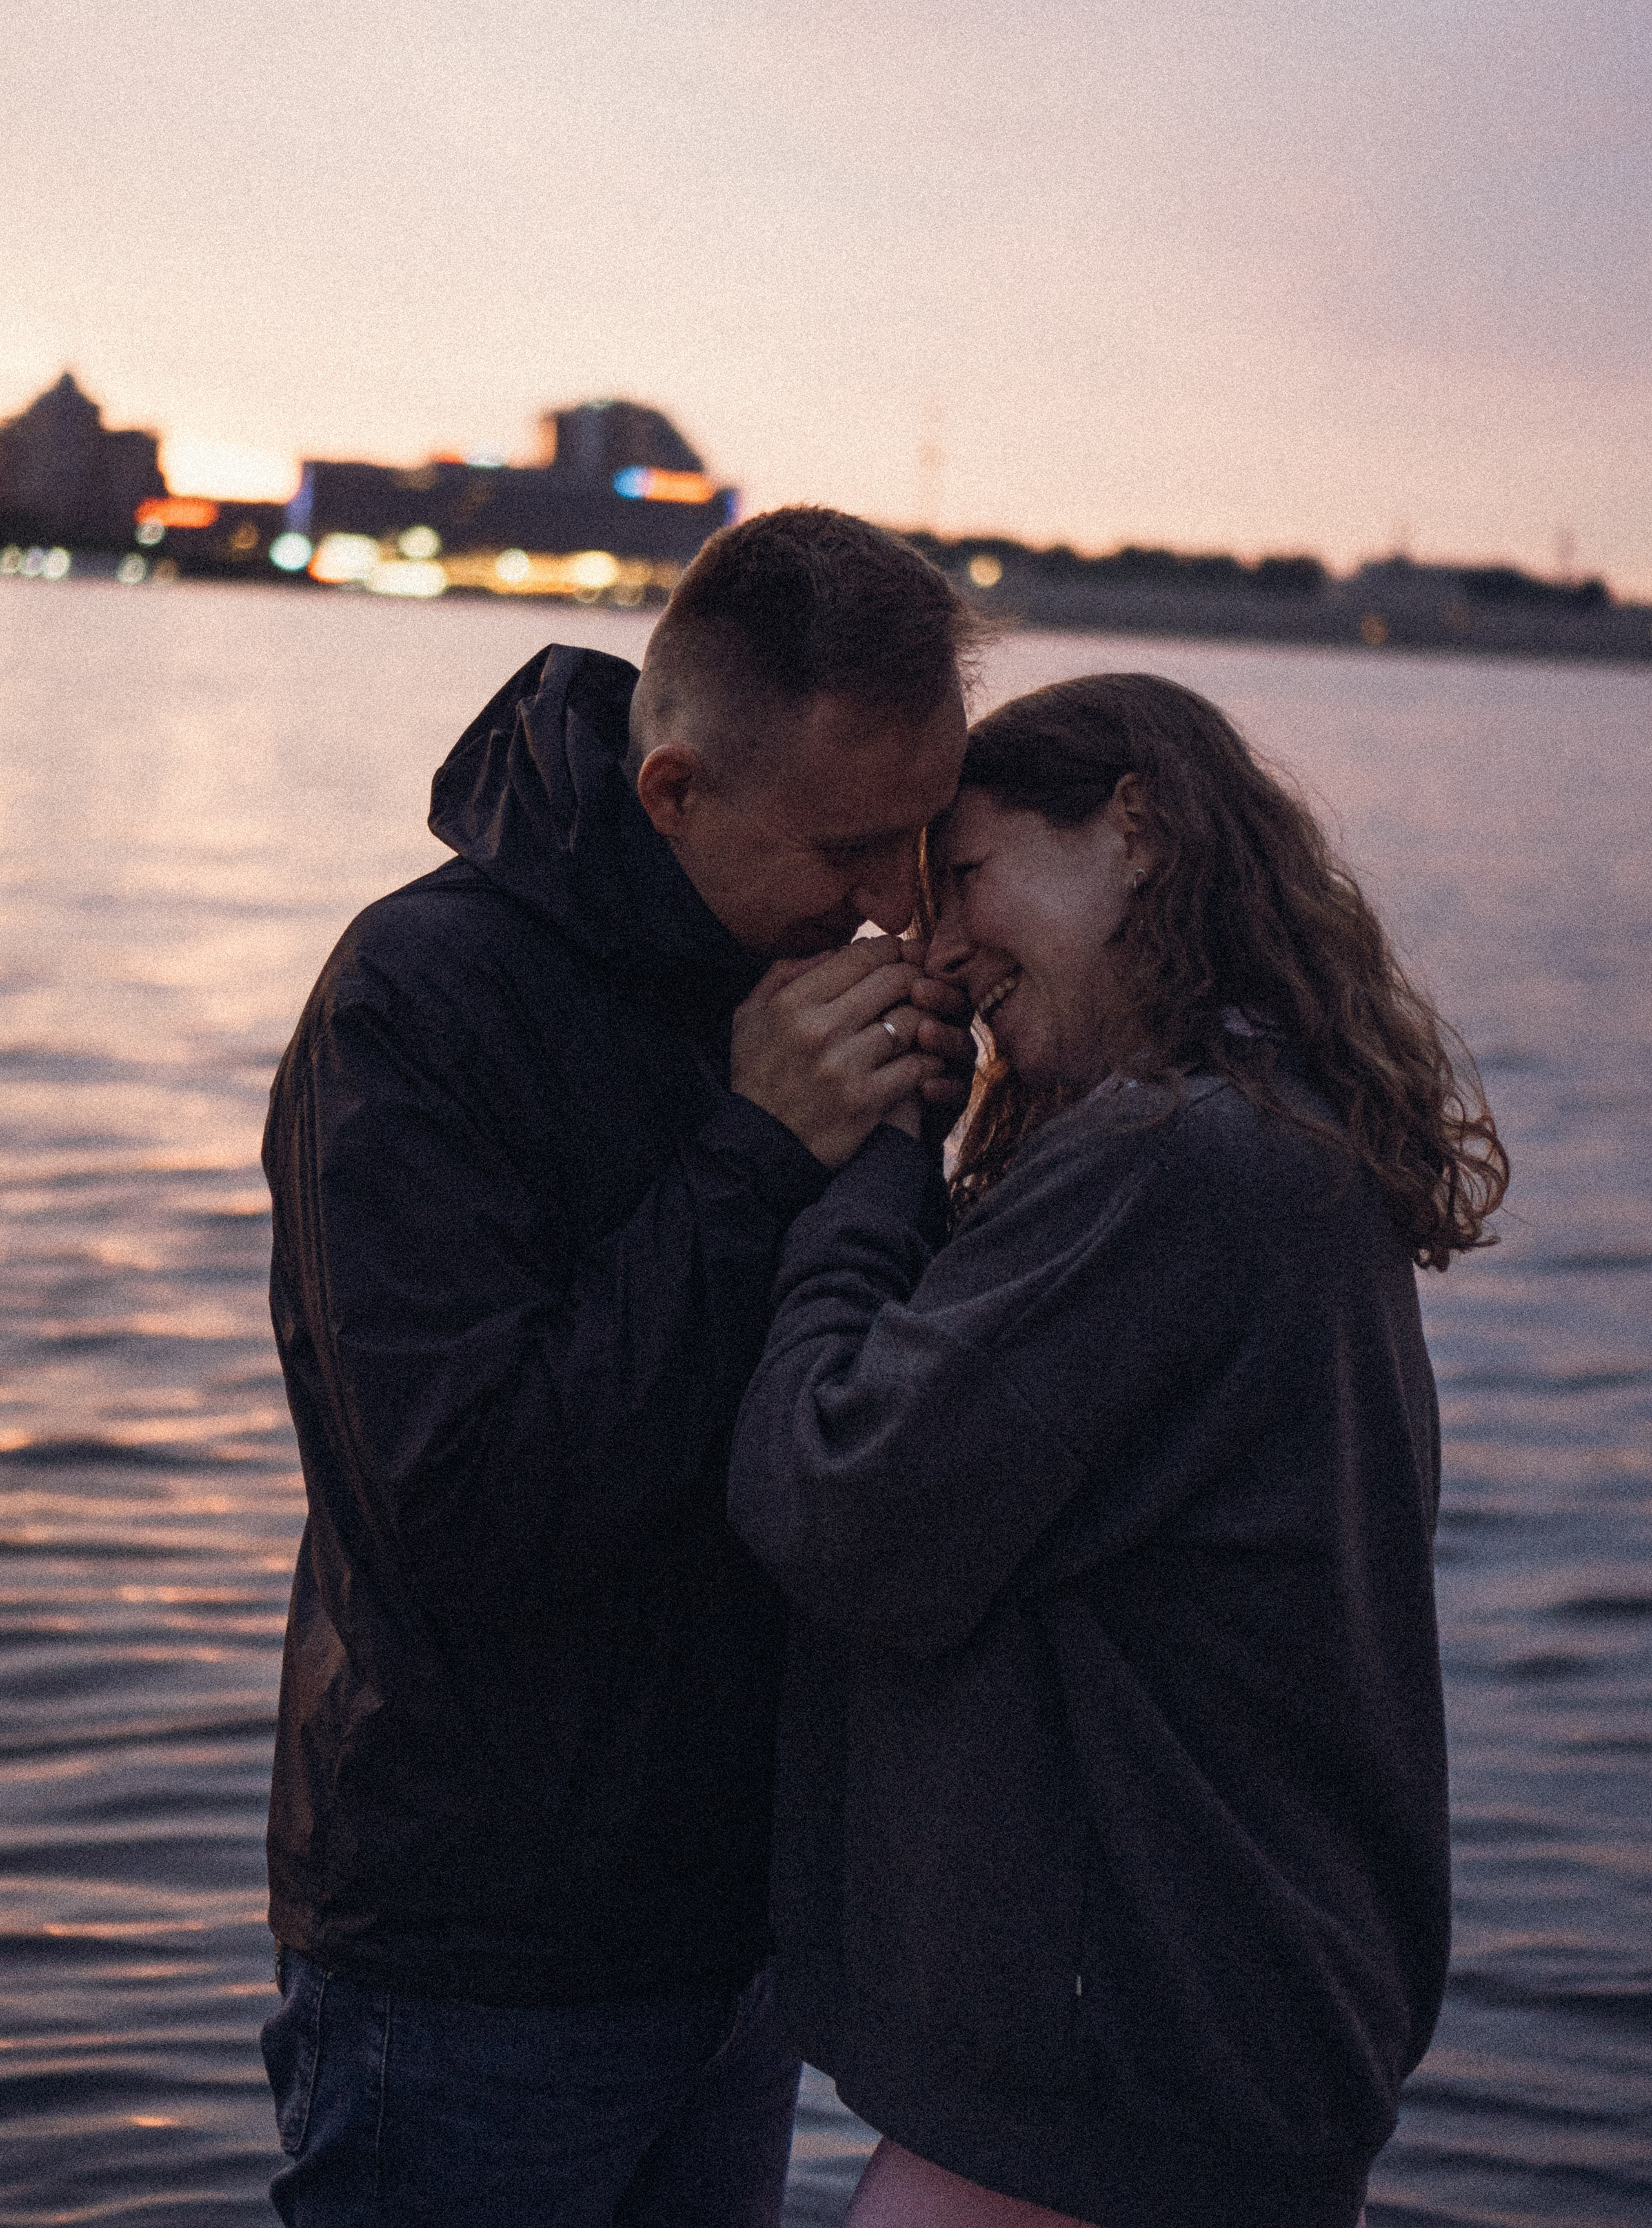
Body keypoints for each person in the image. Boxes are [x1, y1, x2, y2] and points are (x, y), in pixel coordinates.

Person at [257, 507, 980, 2227]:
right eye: (853, 848)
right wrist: (757, 1152)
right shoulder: (416, 1002)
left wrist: (914, 1159)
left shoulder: (794, 982)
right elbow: (464, 1510)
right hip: (474, 1961)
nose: (899, 907)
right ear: (673, 793)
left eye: (925, 841)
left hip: (737, 1940)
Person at [728, 672, 1509, 2228]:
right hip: (1215, 2049)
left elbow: (835, 1503)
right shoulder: (1278, 1137)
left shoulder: (1174, 1165)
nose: (938, 946)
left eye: (967, 875)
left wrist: (865, 1167)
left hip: (1115, 2077)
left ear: (1135, 831)